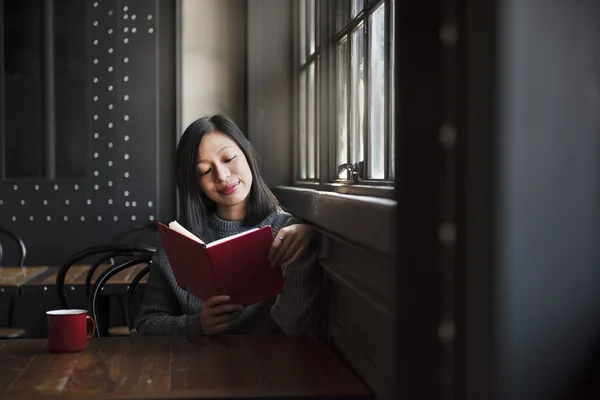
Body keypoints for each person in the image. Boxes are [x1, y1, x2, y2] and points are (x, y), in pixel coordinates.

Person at [134, 115, 322, 336]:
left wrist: (306, 243)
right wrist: (198, 324)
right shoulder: (177, 247)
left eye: (229, 158)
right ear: (196, 184)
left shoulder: (287, 234)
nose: (222, 176)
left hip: (271, 367)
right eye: (204, 171)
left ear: (247, 154)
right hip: (196, 366)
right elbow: (146, 326)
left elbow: (296, 330)